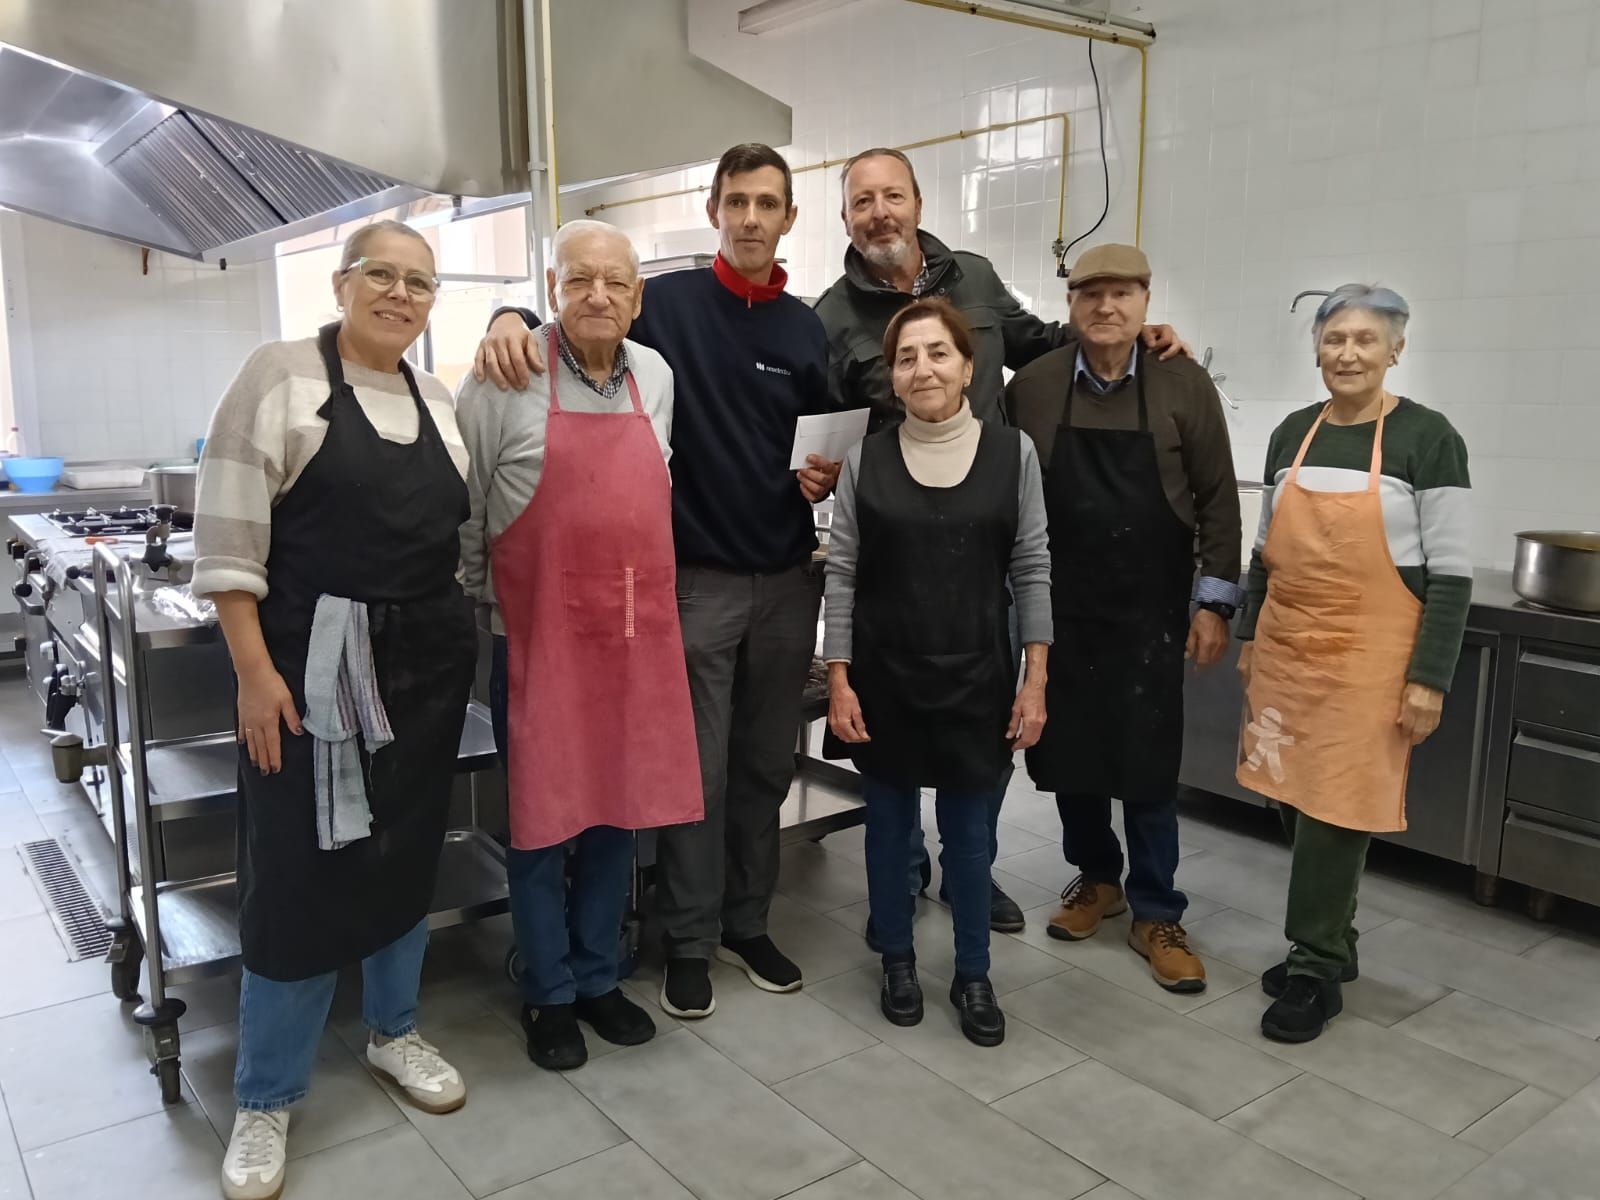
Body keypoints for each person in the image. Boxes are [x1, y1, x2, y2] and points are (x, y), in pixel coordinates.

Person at [473, 145, 832, 1019]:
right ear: (714, 209)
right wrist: (504, 312)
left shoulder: (796, 329)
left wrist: (819, 477)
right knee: (664, 783)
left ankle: (727, 930)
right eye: (736, 200)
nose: (750, 217)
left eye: (768, 204)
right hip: (666, 594)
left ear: (789, 218)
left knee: (742, 772)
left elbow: (817, 436)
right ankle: (673, 945)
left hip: (760, 585)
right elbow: (479, 499)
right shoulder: (662, 309)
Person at [815, 147, 1190, 937]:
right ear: (844, 218)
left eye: (892, 195)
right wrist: (811, 472)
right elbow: (820, 424)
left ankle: (969, 876)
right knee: (894, 747)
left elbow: (1045, 341)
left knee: (977, 742)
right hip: (896, 552)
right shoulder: (832, 314)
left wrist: (1121, 329)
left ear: (917, 201)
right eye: (861, 202)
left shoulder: (974, 277)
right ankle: (905, 871)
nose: (878, 212)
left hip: (983, 545)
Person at [194, 220, 476, 1200]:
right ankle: (265, 1098)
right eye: (382, 276)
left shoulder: (436, 398)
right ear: (342, 282)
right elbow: (229, 542)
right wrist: (252, 672)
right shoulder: (278, 377)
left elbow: (450, 538)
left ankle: (395, 1034)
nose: (401, 295)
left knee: (404, 854)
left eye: (421, 283)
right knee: (298, 875)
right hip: (310, 673)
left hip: (423, 671)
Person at [456, 220, 702, 1070]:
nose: (599, 296)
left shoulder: (657, 376)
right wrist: (481, 612)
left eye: (617, 283)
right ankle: (548, 991)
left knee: (614, 816)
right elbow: (471, 508)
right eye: (580, 280)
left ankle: (600, 978)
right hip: (535, 636)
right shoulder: (506, 374)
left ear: (638, 297)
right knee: (539, 823)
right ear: (551, 286)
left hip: (633, 636)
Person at [1006, 243, 1242, 995]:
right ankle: (1096, 880)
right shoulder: (1036, 385)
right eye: (1091, 295)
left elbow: (1218, 500)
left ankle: (1157, 910)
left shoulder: (1182, 380)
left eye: (1122, 294)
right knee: (1070, 753)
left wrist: (1213, 602)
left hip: (1151, 610)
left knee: (1146, 763)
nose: (1106, 307)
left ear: (1145, 302)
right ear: (1071, 306)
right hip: (1060, 608)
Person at [1237, 284, 1471, 1043]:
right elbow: (1266, 551)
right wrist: (1247, 635)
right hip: (1286, 650)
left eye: (1367, 340)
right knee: (1287, 794)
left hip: (1371, 658)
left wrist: (1429, 677)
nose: (1348, 353)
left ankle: (1313, 968)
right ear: (1316, 348)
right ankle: (1336, 939)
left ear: (1396, 349)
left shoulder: (1428, 438)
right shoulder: (1291, 434)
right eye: (1335, 338)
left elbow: (1453, 572)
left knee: (1336, 809)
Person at [824, 298, 1050, 1047]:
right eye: (906, 357)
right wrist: (839, 677)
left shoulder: (1012, 455)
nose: (923, 368)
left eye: (938, 353)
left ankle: (974, 973)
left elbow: (1032, 568)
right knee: (888, 833)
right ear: (891, 376)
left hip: (977, 676)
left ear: (968, 365)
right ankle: (896, 958)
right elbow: (844, 574)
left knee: (971, 840)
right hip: (885, 679)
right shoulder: (868, 460)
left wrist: (1036, 678)